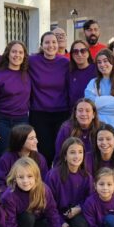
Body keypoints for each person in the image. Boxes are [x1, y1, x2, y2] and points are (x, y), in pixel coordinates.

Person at [0, 157, 71, 227]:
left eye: (29, 176)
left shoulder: (43, 189)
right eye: (20, 177)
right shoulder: (9, 196)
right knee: (28, 217)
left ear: (36, 177)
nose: (25, 181)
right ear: (14, 178)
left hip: (36, 224)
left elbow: (52, 212)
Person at [46, 137, 93, 227]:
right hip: (56, 217)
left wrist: (79, 208)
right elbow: (48, 205)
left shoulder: (87, 176)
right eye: (72, 152)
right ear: (65, 156)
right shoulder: (53, 176)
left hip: (76, 215)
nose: (77, 156)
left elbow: (90, 199)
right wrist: (61, 222)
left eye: (80, 152)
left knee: (82, 226)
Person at [29, 31, 70, 165]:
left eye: (54, 42)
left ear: (58, 45)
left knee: (61, 150)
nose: (50, 45)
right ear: (41, 45)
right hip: (39, 112)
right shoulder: (32, 61)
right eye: (47, 42)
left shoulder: (65, 62)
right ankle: (43, 180)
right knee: (44, 151)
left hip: (62, 112)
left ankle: (58, 180)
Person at [0, 40, 31, 160]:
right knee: (4, 156)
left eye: (20, 52)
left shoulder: (27, 74)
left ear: (24, 56)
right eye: (14, 52)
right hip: (2, 122)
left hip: (22, 121)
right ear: (8, 54)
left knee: (21, 155)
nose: (17, 55)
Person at [84, 48, 114, 134]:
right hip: (98, 129)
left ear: (112, 62)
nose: (102, 64)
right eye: (99, 62)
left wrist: (99, 103)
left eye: (105, 61)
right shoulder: (93, 83)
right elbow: (90, 106)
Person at [0, 124, 49, 189]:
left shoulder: (39, 158)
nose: (36, 141)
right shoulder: (6, 159)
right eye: (31, 138)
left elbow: (44, 182)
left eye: (35, 137)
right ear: (20, 141)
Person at [67, 39, 97, 106]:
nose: (79, 54)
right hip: (74, 113)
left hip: (92, 112)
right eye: (75, 51)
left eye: (83, 51)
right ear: (71, 54)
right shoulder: (69, 72)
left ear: (88, 53)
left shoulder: (97, 69)